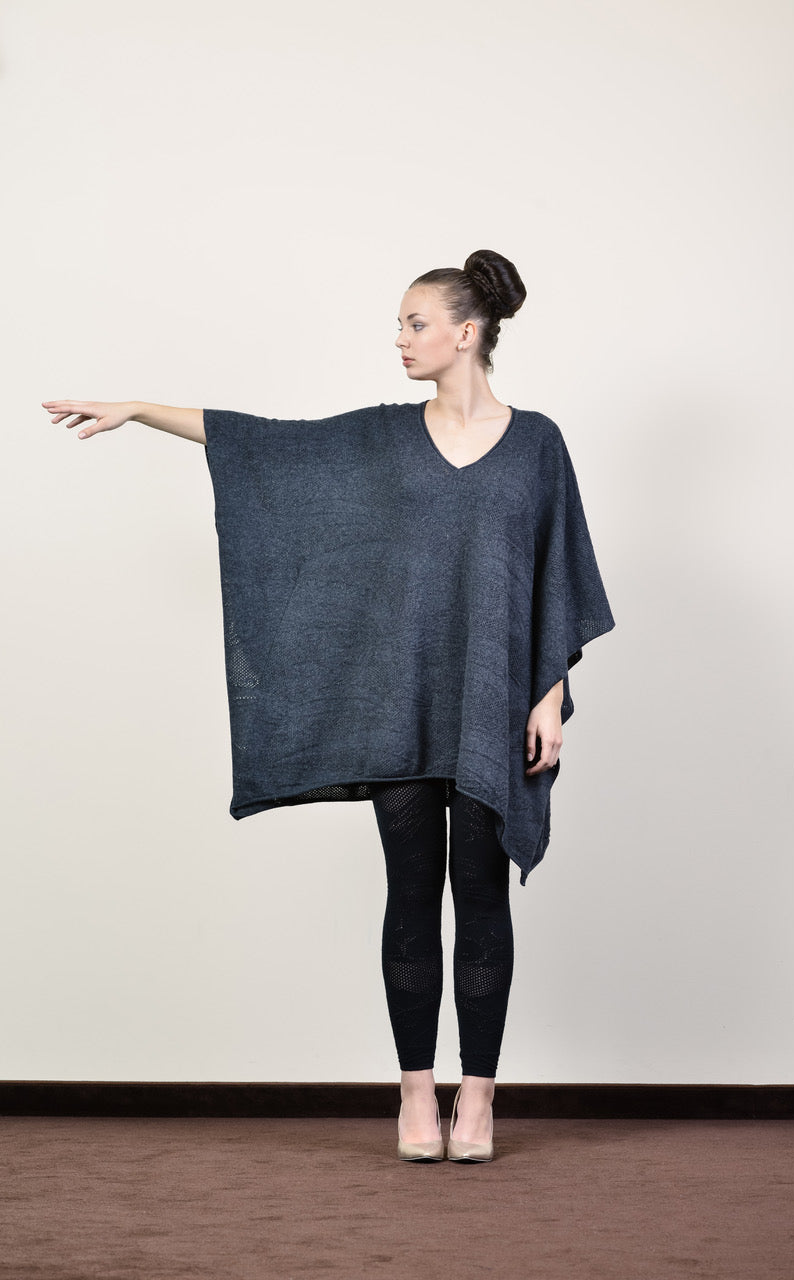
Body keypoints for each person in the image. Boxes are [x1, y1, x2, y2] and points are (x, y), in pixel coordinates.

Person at [42, 248, 614, 1164]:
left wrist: (548, 695)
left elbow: (556, 572)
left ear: (467, 332)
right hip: (396, 703)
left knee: (481, 896)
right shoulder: (382, 436)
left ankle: (478, 1100)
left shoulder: (537, 444)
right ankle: (416, 1095)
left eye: (415, 324)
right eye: (399, 325)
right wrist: (140, 409)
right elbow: (266, 445)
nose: (401, 340)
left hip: (493, 705)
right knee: (409, 894)